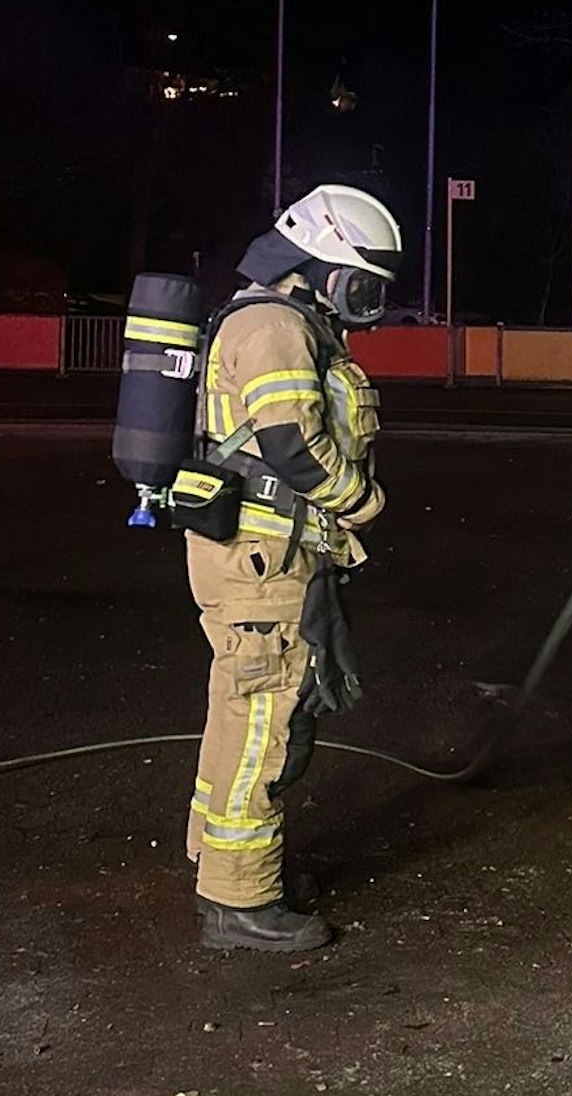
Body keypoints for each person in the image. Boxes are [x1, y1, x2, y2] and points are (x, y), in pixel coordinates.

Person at [184, 184, 398, 950]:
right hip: (261, 562)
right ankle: (238, 903)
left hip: (263, 555)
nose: (366, 304)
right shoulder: (275, 325)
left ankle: (231, 870)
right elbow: (294, 449)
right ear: (320, 266)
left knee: (240, 716)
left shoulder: (283, 319)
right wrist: (363, 501)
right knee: (263, 724)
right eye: (363, 284)